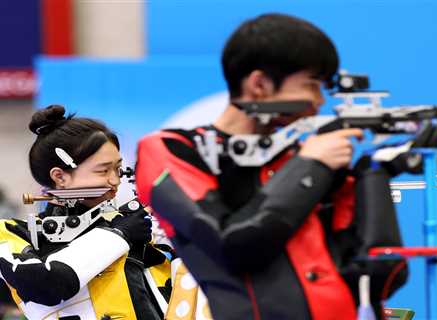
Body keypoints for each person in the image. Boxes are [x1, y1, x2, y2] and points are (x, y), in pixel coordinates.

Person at [136, 13, 409, 320]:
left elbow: (385, 275)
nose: (319, 101)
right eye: (311, 85)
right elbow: (233, 247)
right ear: (259, 84)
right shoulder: (172, 149)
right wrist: (310, 165)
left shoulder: (303, 160)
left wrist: (374, 175)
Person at [0, 105, 175, 320]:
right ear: (60, 177)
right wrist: (119, 235)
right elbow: (44, 283)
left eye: (118, 169)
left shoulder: (135, 223)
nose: (115, 180)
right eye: (103, 170)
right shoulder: (11, 233)